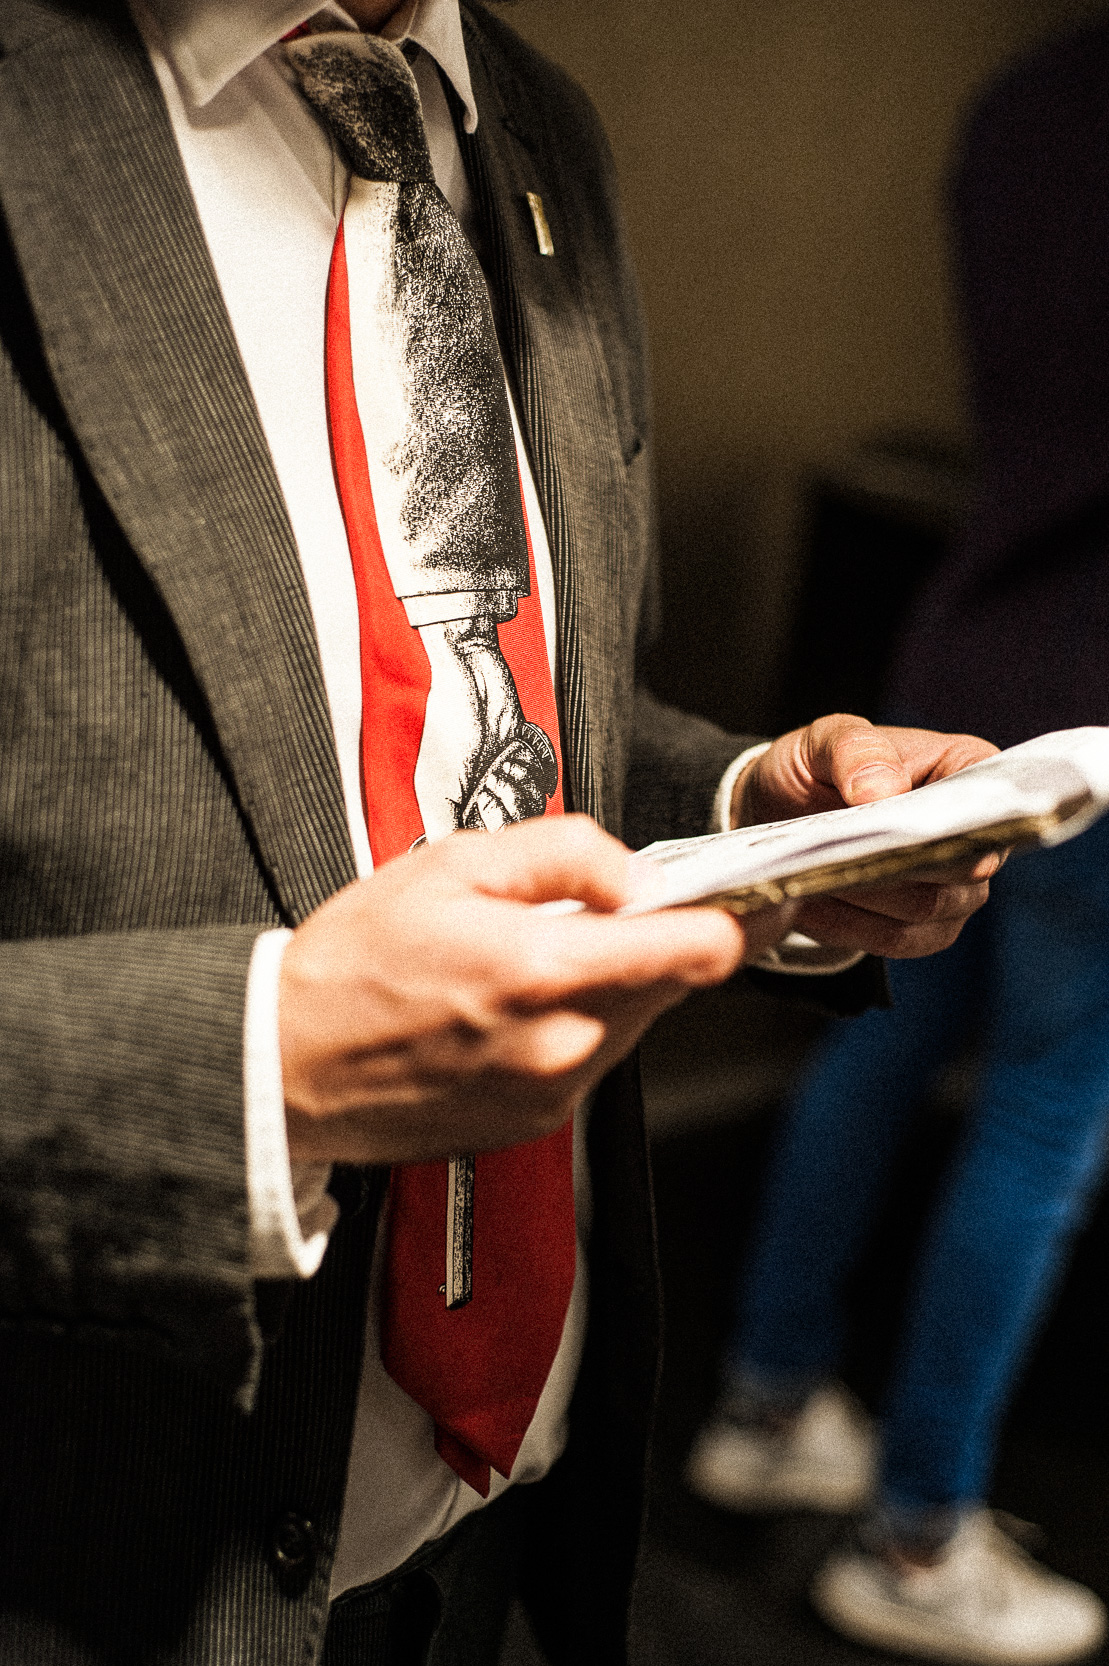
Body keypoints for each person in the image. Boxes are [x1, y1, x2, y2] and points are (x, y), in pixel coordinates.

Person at [0, 1, 996, 1661]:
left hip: (506, 1533)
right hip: (103, 1557)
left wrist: (746, 812)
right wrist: (261, 1067)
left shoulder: (535, 125)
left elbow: (525, 713)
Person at [687, 19, 1109, 1666]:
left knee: (876, 1030)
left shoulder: (1026, 100)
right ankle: (917, 1536)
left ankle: (765, 1402)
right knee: (1046, 1113)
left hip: (968, 631)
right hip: (1097, 701)